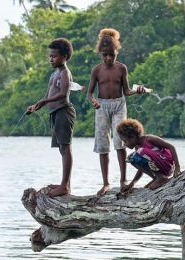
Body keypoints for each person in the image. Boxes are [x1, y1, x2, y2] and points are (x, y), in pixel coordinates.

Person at [87, 28, 146, 196]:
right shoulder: (97, 70)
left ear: (117, 52)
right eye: (105, 55)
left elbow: (126, 90)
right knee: (102, 144)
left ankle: (123, 180)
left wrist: (137, 90)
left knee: (121, 141)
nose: (108, 58)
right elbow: (89, 93)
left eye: (112, 55)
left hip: (119, 105)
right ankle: (106, 183)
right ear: (100, 53)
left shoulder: (121, 69)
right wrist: (94, 101)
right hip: (102, 106)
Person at [26, 38, 76, 197]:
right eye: (50, 56)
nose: (51, 59)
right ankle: (65, 183)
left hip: (63, 112)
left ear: (64, 56)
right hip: (55, 113)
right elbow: (48, 94)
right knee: (62, 149)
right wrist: (36, 105)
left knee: (66, 147)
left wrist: (45, 100)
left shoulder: (64, 73)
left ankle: (65, 186)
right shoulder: (54, 73)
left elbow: (63, 94)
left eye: (54, 56)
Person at [117, 118, 181, 193]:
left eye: (125, 141)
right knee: (132, 158)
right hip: (159, 167)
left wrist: (177, 167)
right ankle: (156, 178)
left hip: (166, 164)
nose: (124, 144)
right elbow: (141, 168)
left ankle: (161, 178)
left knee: (134, 155)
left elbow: (171, 147)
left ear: (132, 137)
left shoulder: (149, 139)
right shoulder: (138, 149)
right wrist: (132, 183)